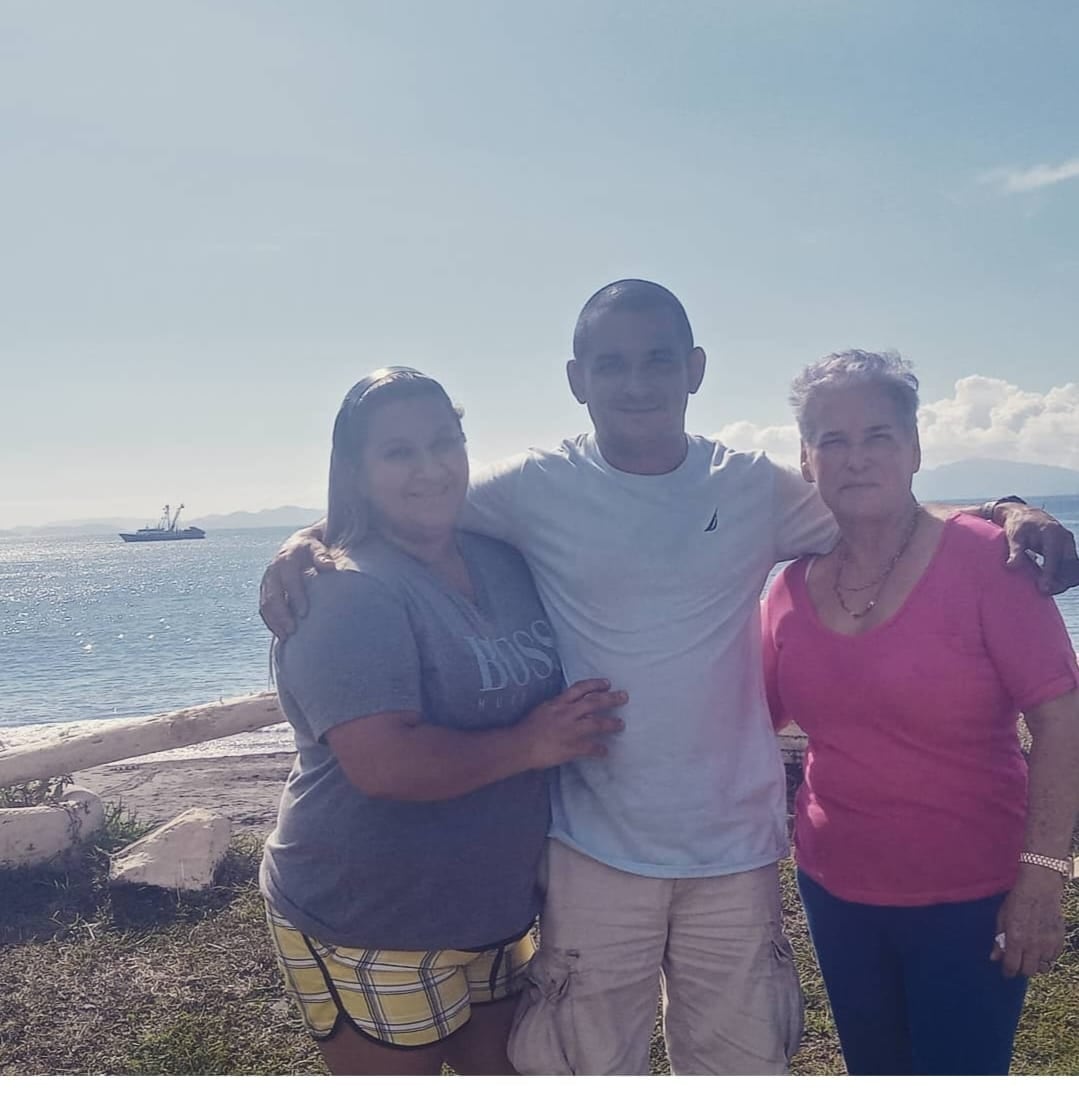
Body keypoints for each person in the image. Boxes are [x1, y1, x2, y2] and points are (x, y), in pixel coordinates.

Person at [260, 281, 1079, 1075]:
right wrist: (308, 537)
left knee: (738, 1064)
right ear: (576, 380)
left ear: (694, 368)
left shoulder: (750, 484)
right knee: (587, 1065)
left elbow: (884, 505)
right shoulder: (532, 486)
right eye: (610, 364)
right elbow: (415, 498)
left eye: (657, 359)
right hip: (591, 846)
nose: (636, 382)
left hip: (734, 849)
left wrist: (1004, 509)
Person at [259, 366, 626, 1077]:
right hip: (370, 915)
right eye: (398, 452)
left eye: (443, 442)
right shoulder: (343, 591)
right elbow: (384, 766)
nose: (429, 468)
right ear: (356, 471)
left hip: (493, 914)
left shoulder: (502, 554)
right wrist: (531, 743)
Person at [761, 350, 1079, 1076]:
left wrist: (1042, 876)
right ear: (806, 459)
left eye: (878, 435)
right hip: (834, 890)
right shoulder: (789, 586)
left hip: (972, 897)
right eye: (832, 440)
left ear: (913, 447)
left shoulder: (990, 562)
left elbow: (1062, 719)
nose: (856, 457)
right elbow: (743, 718)